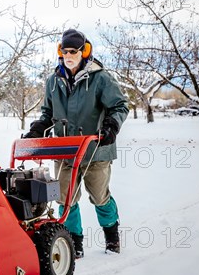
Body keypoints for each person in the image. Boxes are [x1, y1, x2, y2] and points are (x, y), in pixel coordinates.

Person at [23, 29, 129, 258]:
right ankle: (74, 243)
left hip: (95, 150)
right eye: (64, 50)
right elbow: (47, 114)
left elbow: (120, 106)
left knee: (100, 197)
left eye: (73, 50)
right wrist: (37, 129)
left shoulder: (100, 78)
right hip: (65, 150)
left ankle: (112, 238)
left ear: (84, 51)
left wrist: (111, 125)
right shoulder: (54, 81)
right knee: (65, 199)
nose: (68, 54)